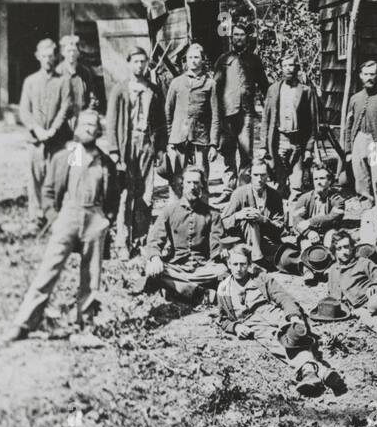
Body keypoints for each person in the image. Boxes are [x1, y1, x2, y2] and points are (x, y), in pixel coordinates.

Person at [4, 109, 119, 342]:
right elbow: (48, 192)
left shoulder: (104, 162)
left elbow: (113, 198)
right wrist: (54, 219)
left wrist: (105, 221)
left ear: (99, 131)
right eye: (84, 124)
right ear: (76, 127)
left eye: (93, 125)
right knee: (49, 269)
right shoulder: (68, 156)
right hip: (68, 214)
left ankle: (85, 323)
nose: (88, 128)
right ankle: (24, 322)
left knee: (91, 276)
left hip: (95, 218)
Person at [217, 245, 345, 398]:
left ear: (249, 264)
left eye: (243, 264)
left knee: (294, 335)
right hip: (252, 322)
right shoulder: (223, 289)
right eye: (235, 264)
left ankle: (310, 372)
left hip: (272, 312)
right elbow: (223, 319)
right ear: (228, 265)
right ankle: (320, 371)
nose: (239, 268)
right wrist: (236, 327)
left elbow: (283, 297)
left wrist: (293, 316)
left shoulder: (260, 278)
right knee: (275, 342)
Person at [105, 47, 167, 255]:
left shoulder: (154, 90)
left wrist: (160, 149)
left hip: (147, 144)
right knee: (126, 193)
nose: (140, 65)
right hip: (126, 145)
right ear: (129, 63)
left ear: (147, 63)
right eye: (136, 61)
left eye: (143, 61)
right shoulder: (119, 90)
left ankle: (141, 240)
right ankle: (122, 242)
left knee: (146, 193)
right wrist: (114, 150)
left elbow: (160, 123)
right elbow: (111, 123)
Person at [141, 165, 227, 302]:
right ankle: (199, 294)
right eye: (188, 182)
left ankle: (178, 289)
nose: (192, 187)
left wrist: (221, 253)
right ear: (182, 185)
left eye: (196, 183)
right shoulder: (169, 211)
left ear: (202, 186)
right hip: (177, 267)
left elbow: (217, 246)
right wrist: (155, 257)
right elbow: (154, 240)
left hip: (203, 269)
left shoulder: (213, 214)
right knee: (155, 270)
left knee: (223, 271)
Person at [19, 38, 74, 232]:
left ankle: (52, 216)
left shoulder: (63, 81)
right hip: (35, 140)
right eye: (44, 56)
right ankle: (36, 218)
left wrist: (53, 130)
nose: (48, 60)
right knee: (35, 178)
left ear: (56, 57)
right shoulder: (30, 81)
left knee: (55, 179)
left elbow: (66, 107)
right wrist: (37, 129)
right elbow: (24, 111)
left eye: (51, 56)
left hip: (57, 139)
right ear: (37, 57)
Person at [213, 22, 269, 197]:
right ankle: (229, 189)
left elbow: (265, 86)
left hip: (246, 114)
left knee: (246, 153)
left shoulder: (254, 60)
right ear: (231, 37)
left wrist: (271, 105)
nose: (238, 38)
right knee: (228, 152)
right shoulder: (223, 60)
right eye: (235, 35)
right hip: (226, 114)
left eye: (242, 35)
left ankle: (244, 190)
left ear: (247, 37)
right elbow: (215, 88)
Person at [165, 43, 220, 192]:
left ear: (203, 60)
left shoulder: (210, 84)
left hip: (200, 136)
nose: (193, 60)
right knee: (178, 176)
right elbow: (168, 112)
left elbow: (216, 115)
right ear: (186, 60)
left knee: (201, 174)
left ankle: (203, 205)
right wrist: (170, 138)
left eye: (196, 57)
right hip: (179, 137)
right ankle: (177, 207)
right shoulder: (176, 83)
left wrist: (213, 143)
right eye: (190, 57)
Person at [262, 52, 318, 199]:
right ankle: (279, 216)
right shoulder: (273, 89)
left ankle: (295, 215)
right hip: (279, 141)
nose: (288, 69)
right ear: (280, 68)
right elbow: (266, 120)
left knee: (296, 184)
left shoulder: (306, 91)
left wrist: (309, 148)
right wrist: (263, 146)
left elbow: (313, 123)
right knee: (277, 183)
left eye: (291, 65)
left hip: (297, 142)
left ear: (297, 67)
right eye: (285, 65)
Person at [344, 59, 377, 204]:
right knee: (361, 180)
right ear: (361, 76)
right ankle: (367, 214)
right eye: (366, 74)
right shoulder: (355, 99)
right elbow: (348, 126)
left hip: (375, 143)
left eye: (373, 74)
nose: (369, 77)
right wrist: (348, 150)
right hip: (359, 141)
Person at [220, 158, 284, 267]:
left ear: (268, 175)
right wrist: (238, 216)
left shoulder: (274, 195)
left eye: (263, 175)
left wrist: (263, 220)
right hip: (244, 239)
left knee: (286, 257)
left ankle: (257, 256)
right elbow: (223, 222)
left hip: (266, 240)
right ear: (250, 175)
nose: (259, 179)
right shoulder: (239, 193)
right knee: (250, 218)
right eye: (256, 175)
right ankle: (257, 258)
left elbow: (279, 227)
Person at [287, 165, 346, 262]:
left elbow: (333, 217)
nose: (318, 182)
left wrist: (310, 221)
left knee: (330, 242)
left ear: (330, 181)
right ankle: (308, 272)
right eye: (315, 179)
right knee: (307, 250)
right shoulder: (304, 198)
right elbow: (296, 220)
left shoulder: (337, 200)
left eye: (322, 178)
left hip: (328, 232)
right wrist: (308, 232)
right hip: (309, 234)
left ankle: (328, 268)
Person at [57, 33, 102, 115]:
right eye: (69, 51)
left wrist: (93, 101)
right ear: (63, 53)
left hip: (82, 116)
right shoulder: (58, 72)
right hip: (63, 117)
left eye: (74, 50)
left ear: (78, 53)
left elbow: (91, 93)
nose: (72, 54)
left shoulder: (85, 72)